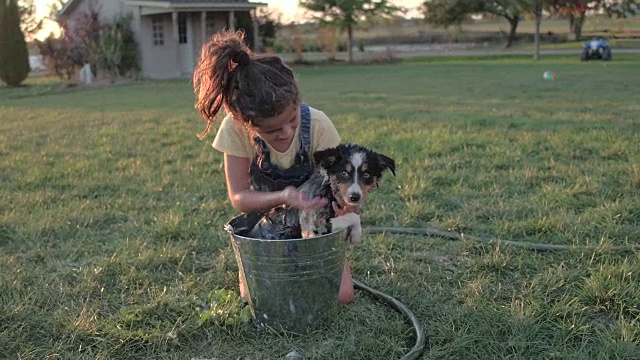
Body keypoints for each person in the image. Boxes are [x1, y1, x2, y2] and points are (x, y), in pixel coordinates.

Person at [193, 30, 356, 304]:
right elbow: (239, 198)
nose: (286, 132)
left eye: (291, 119)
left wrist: (348, 209)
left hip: (314, 225)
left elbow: (344, 188)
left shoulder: (318, 125)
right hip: (265, 226)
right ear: (243, 121)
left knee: (342, 296)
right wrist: (283, 197)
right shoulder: (233, 129)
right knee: (257, 299)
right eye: (270, 130)